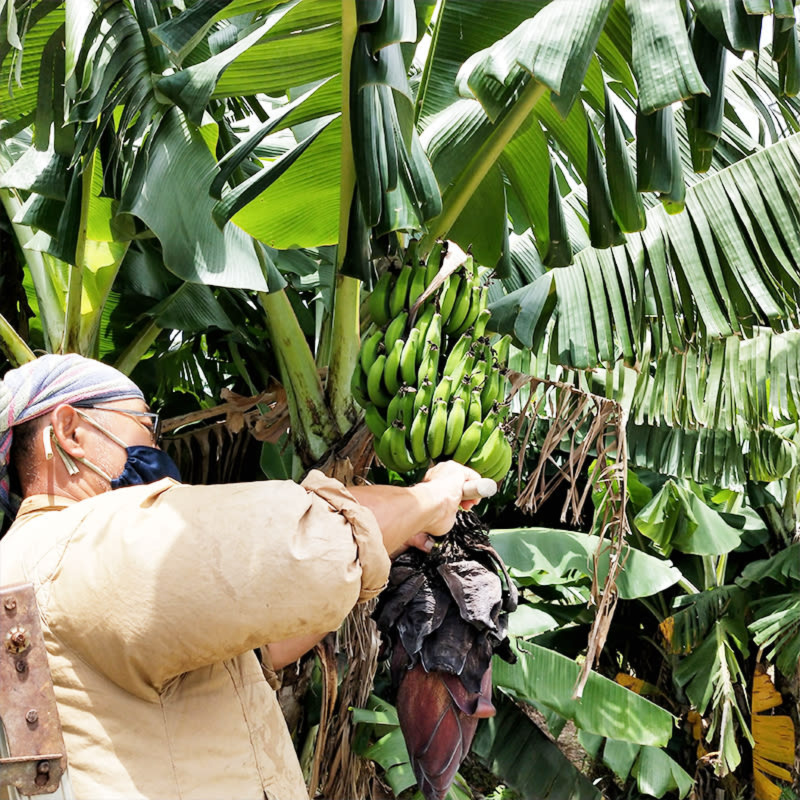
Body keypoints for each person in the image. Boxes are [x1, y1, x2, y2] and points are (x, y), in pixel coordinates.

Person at [0, 354, 481, 800]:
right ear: (70, 432)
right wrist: (433, 499)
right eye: (146, 427)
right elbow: (310, 543)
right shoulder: (93, 540)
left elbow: (256, 652)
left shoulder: (31, 560)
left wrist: (387, 537)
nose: (155, 446)